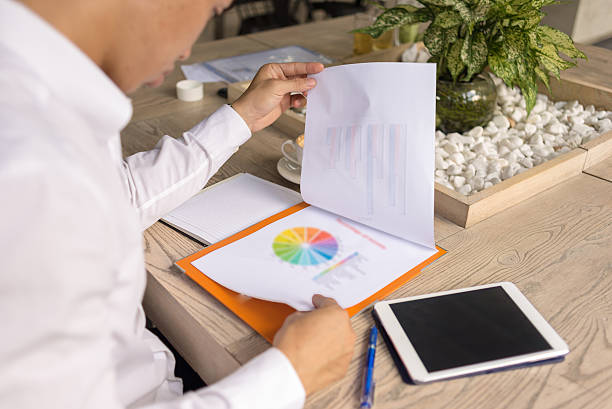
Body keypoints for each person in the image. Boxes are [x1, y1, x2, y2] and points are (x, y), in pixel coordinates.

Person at [0, 0, 356, 408]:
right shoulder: (27, 171)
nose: (187, 49)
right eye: (212, 8)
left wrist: (239, 119)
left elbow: (115, 197)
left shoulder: (37, 104)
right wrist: (291, 375)